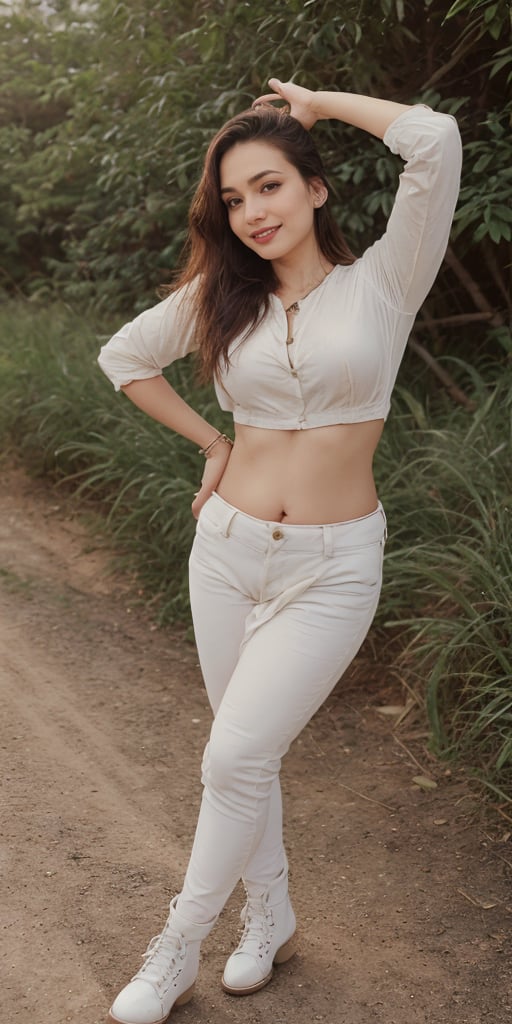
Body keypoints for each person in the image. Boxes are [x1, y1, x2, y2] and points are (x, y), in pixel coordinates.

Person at [98, 78, 462, 1024]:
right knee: (242, 759)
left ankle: (178, 946)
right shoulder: (223, 299)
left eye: (267, 186)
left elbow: (436, 141)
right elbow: (125, 358)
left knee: (230, 761)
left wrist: (320, 105)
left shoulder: (385, 282)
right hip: (223, 553)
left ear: (315, 190)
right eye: (232, 199)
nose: (251, 211)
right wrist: (215, 443)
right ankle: (272, 916)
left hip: (332, 568)